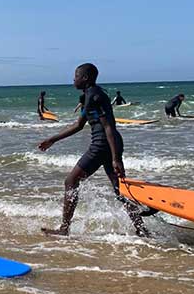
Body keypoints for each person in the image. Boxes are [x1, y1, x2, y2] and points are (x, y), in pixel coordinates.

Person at [38, 63, 148, 237]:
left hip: (103, 144)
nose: (73, 79)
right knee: (119, 190)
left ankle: (64, 229)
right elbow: (79, 124)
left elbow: (109, 127)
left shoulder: (95, 96)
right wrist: (53, 139)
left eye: (76, 76)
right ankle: (142, 229)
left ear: (85, 78)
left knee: (71, 181)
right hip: (108, 145)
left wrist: (116, 158)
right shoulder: (89, 96)